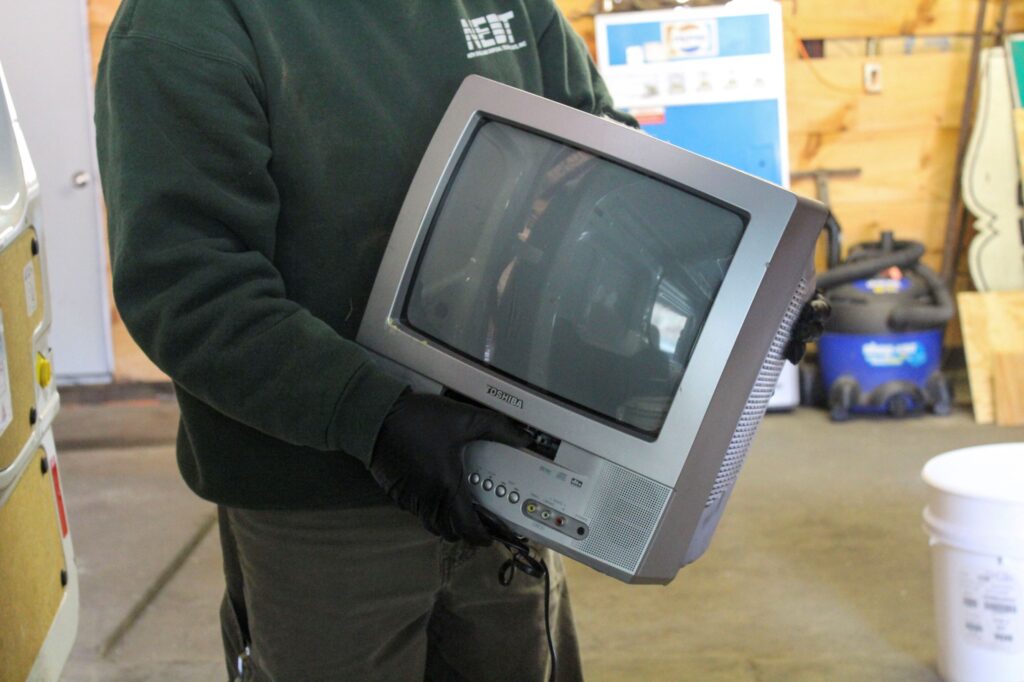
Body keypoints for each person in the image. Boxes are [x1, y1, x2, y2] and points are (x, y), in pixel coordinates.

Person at [95, 2, 828, 680]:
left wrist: (737, 294)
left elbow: (604, 151)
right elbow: (188, 290)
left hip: (506, 472)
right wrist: (377, 416)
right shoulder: (184, 25)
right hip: (321, 509)